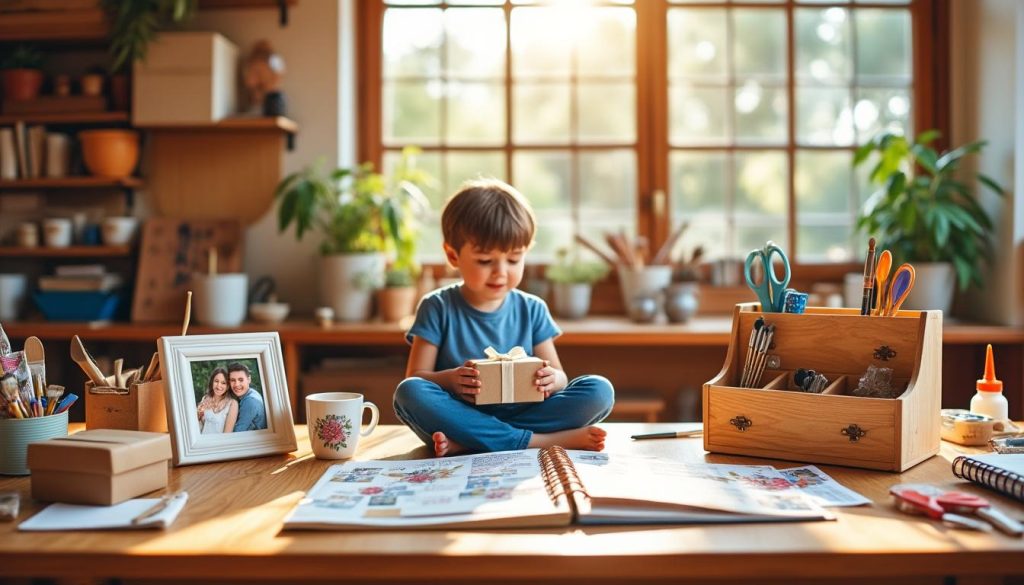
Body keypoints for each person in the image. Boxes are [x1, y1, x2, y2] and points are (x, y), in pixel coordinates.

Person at [393, 178, 615, 457]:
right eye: (485, 261)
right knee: (410, 392)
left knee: (598, 390)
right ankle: (538, 441)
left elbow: (561, 378)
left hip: (511, 416)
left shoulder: (532, 308)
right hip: (460, 414)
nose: (500, 272)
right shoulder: (437, 306)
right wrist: (451, 380)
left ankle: (478, 442)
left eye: (513, 260)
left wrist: (550, 379)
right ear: (452, 255)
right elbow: (416, 377)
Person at [197, 367, 238, 434]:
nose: (219, 385)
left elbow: (227, 434)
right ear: (212, 382)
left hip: (218, 443)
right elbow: (202, 425)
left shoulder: (232, 404)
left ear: (228, 386)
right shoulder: (206, 399)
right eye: (216, 381)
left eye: (223, 383)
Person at [229, 362, 267, 432]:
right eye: (233, 380)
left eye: (241, 380)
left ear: (249, 380)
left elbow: (238, 432)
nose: (236, 384)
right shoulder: (251, 393)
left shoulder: (250, 401)